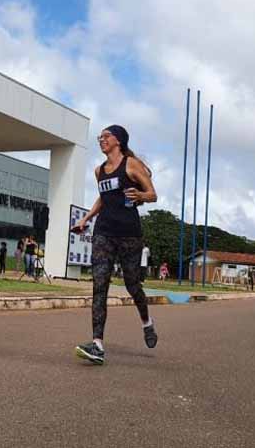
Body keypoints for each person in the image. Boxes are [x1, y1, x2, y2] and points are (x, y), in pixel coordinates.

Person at [72, 125, 158, 365]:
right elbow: (103, 197)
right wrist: (86, 219)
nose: (101, 140)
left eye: (106, 136)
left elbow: (153, 194)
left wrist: (140, 196)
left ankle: (147, 322)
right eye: (100, 137)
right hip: (104, 233)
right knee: (100, 285)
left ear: (118, 140)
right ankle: (97, 344)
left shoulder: (131, 165)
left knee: (133, 285)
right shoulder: (99, 170)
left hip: (129, 234)